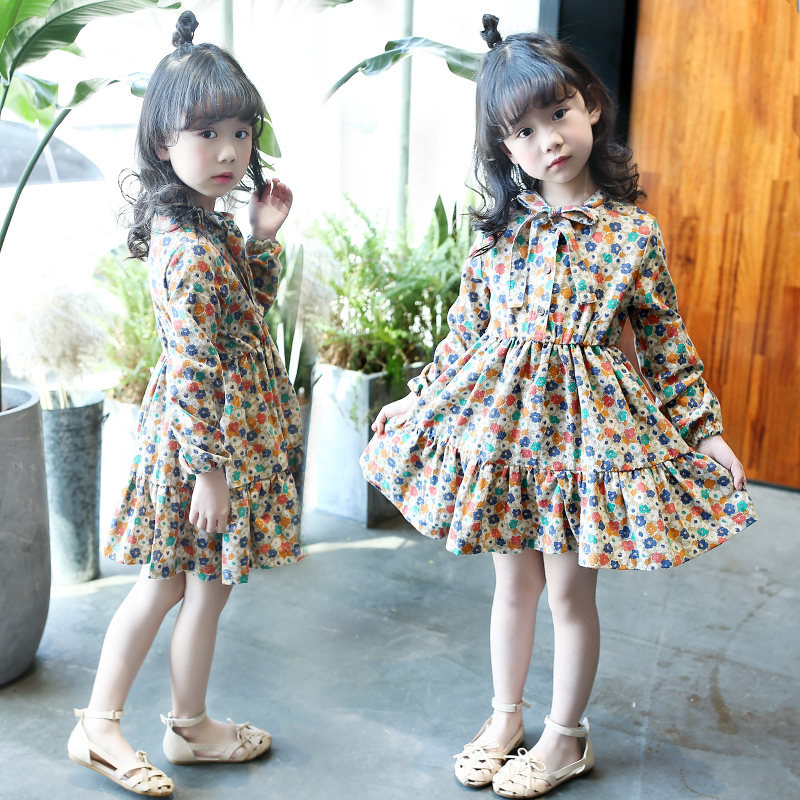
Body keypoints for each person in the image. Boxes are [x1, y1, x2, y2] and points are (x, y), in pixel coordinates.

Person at [362, 15, 757, 799]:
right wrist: (419, 398)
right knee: (514, 586)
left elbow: (666, 343)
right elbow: (467, 334)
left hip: (588, 440)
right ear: (505, 149)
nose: (549, 140)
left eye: (559, 113)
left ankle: (565, 736)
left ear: (592, 107)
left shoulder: (632, 235)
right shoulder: (497, 237)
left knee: (571, 591)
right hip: (508, 435)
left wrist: (703, 431)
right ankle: (505, 717)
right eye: (525, 130)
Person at [67, 11, 303, 796]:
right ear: (164, 142)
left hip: (212, 439)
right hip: (204, 446)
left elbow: (245, 319)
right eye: (208, 134)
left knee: (198, 585)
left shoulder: (202, 225)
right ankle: (104, 726)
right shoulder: (190, 245)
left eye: (240, 132)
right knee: (172, 582)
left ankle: (188, 723)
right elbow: (200, 367)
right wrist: (210, 472)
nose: (230, 151)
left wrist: (261, 239)